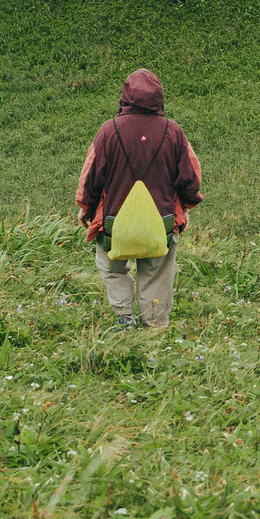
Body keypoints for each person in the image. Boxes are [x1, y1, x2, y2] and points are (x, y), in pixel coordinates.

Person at [76, 68, 203, 328]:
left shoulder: (108, 131)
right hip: (162, 223)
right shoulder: (173, 131)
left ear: (124, 96)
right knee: (156, 274)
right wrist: (186, 207)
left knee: (112, 268)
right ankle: (154, 327)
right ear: (159, 98)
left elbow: (91, 175)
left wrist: (85, 207)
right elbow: (190, 176)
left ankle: (124, 318)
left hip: (114, 224)